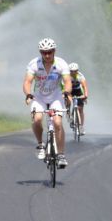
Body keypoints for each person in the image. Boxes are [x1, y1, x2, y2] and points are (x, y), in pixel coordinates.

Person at [23, 38, 72, 168]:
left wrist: (67, 93)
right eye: (44, 52)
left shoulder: (61, 63)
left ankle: (61, 155)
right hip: (39, 97)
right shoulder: (34, 64)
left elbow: (67, 81)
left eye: (50, 52)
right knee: (37, 119)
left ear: (54, 51)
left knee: (57, 122)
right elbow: (27, 81)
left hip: (56, 96)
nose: (47, 55)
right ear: (40, 52)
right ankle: (40, 145)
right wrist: (28, 94)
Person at [68, 63, 89, 134]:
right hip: (69, 90)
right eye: (71, 71)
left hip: (78, 91)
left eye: (75, 71)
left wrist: (85, 95)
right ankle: (69, 115)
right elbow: (64, 87)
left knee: (80, 109)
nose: (73, 72)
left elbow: (85, 87)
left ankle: (81, 127)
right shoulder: (66, 76)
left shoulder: (80, 76)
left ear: (77, 70)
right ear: (69, 71)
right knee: (68, 101)